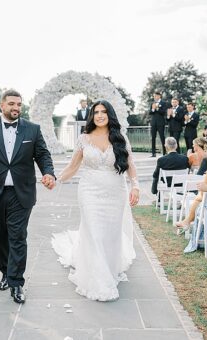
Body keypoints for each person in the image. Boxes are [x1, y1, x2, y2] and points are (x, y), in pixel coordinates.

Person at [0, 89, 56, 304]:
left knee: (17, 236)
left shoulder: (32, 130)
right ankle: (5, 271)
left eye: (19, 104)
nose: (16, 108)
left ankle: (16, 282)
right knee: (0, 236)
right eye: (12, 104)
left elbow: (42, 154)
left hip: (21, 193)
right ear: (2, 105)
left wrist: (48, 173)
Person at [51, 100, 140, 301]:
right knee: (95, 233)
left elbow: (130, 164)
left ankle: (108, 267)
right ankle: (100, 281)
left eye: (103, 111)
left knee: (109, 234)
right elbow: (73, 167)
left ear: (110, 115)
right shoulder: (83, 138)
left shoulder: (120, 138)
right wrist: (56, 179)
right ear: (92, 116)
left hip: (115, 192)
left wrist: (135, 185)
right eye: (96, 112)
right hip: (89, 191)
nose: (100, 115)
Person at [149, 92, 170, 156]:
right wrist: (153, 109)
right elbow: (150, 112)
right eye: (154, 96)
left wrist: (157, 108)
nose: (154, 97)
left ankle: (164, 152)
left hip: (160, 122)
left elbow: (163, 112)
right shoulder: (152, 103)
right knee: (153, 137)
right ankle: (153, 153)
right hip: (153, 123)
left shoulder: (163, 103)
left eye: (156, 96)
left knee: (162, 137)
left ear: (159, 96)